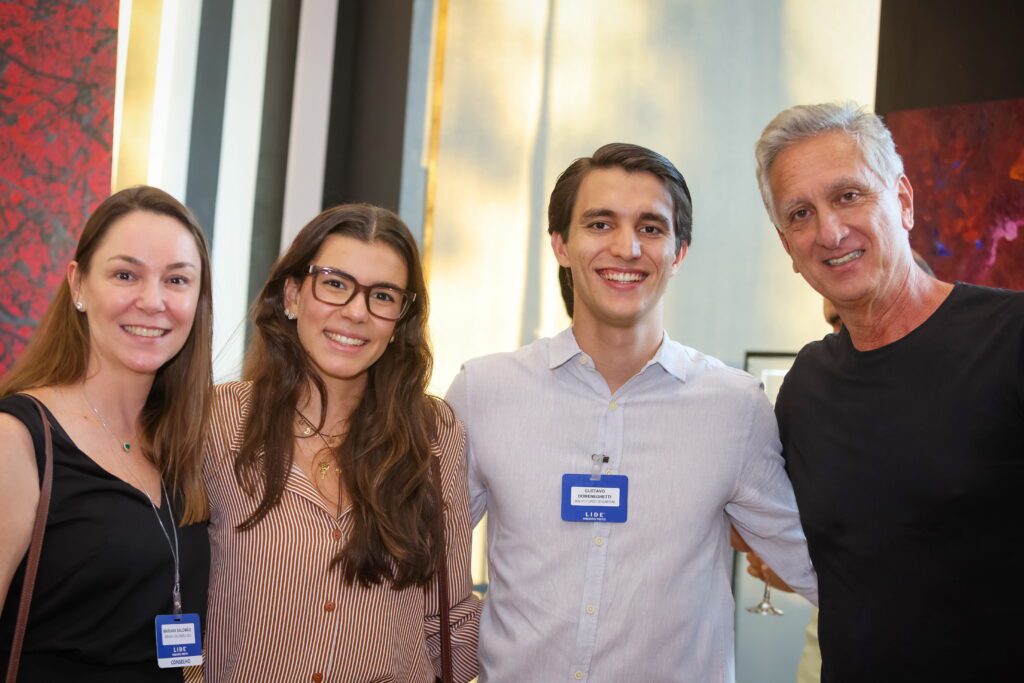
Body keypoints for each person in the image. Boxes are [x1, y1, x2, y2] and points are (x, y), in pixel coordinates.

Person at [446, 143, 817, 682]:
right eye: (600, 224)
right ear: (561, 245)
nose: (627, 248)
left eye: (651, 227)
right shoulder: (484, 391)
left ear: (679, 251)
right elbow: (418, 567)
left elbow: (814, 565)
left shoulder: (735, 408)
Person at [755, 101, 1024, 682]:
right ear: (788, 246)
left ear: (902, 201)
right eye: (801, 213)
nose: (829, 231)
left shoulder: (1011, 340)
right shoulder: (807, 386)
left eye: (849, 195)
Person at [203, 204, 480, 682]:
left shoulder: (434, 435)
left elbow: (450, 614)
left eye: (383, 296)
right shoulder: (215, 422)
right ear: (292, 294)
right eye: (335, 283)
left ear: (400, 321)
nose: (356, 312)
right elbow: (175, 591)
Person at [0, 186, 213, 681]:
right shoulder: (19, 439)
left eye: (177, 280)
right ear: (78, 285)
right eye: (125, 274)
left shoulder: (185, 442)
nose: (153, 300)